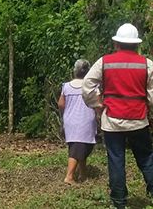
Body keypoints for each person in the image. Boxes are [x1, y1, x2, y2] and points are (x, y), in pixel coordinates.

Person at [83, 23, 153, 209]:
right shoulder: (147, 64)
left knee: (116, 160)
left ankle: (119, 202)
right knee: (146, 158)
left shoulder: (105, 62)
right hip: (138, 120)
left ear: (117, 44)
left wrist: (97, 105)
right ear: (137, 45)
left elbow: (87, 86)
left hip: (113, 121)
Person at [58, 59, 97, 185]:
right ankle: (69, 176)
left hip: (70, 120)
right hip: (85, 120)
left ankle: (83, 172)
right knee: (80, 147)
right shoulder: (91, 86)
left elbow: (61, 104)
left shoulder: (66, 86)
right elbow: (97, 102)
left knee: (77, 146)